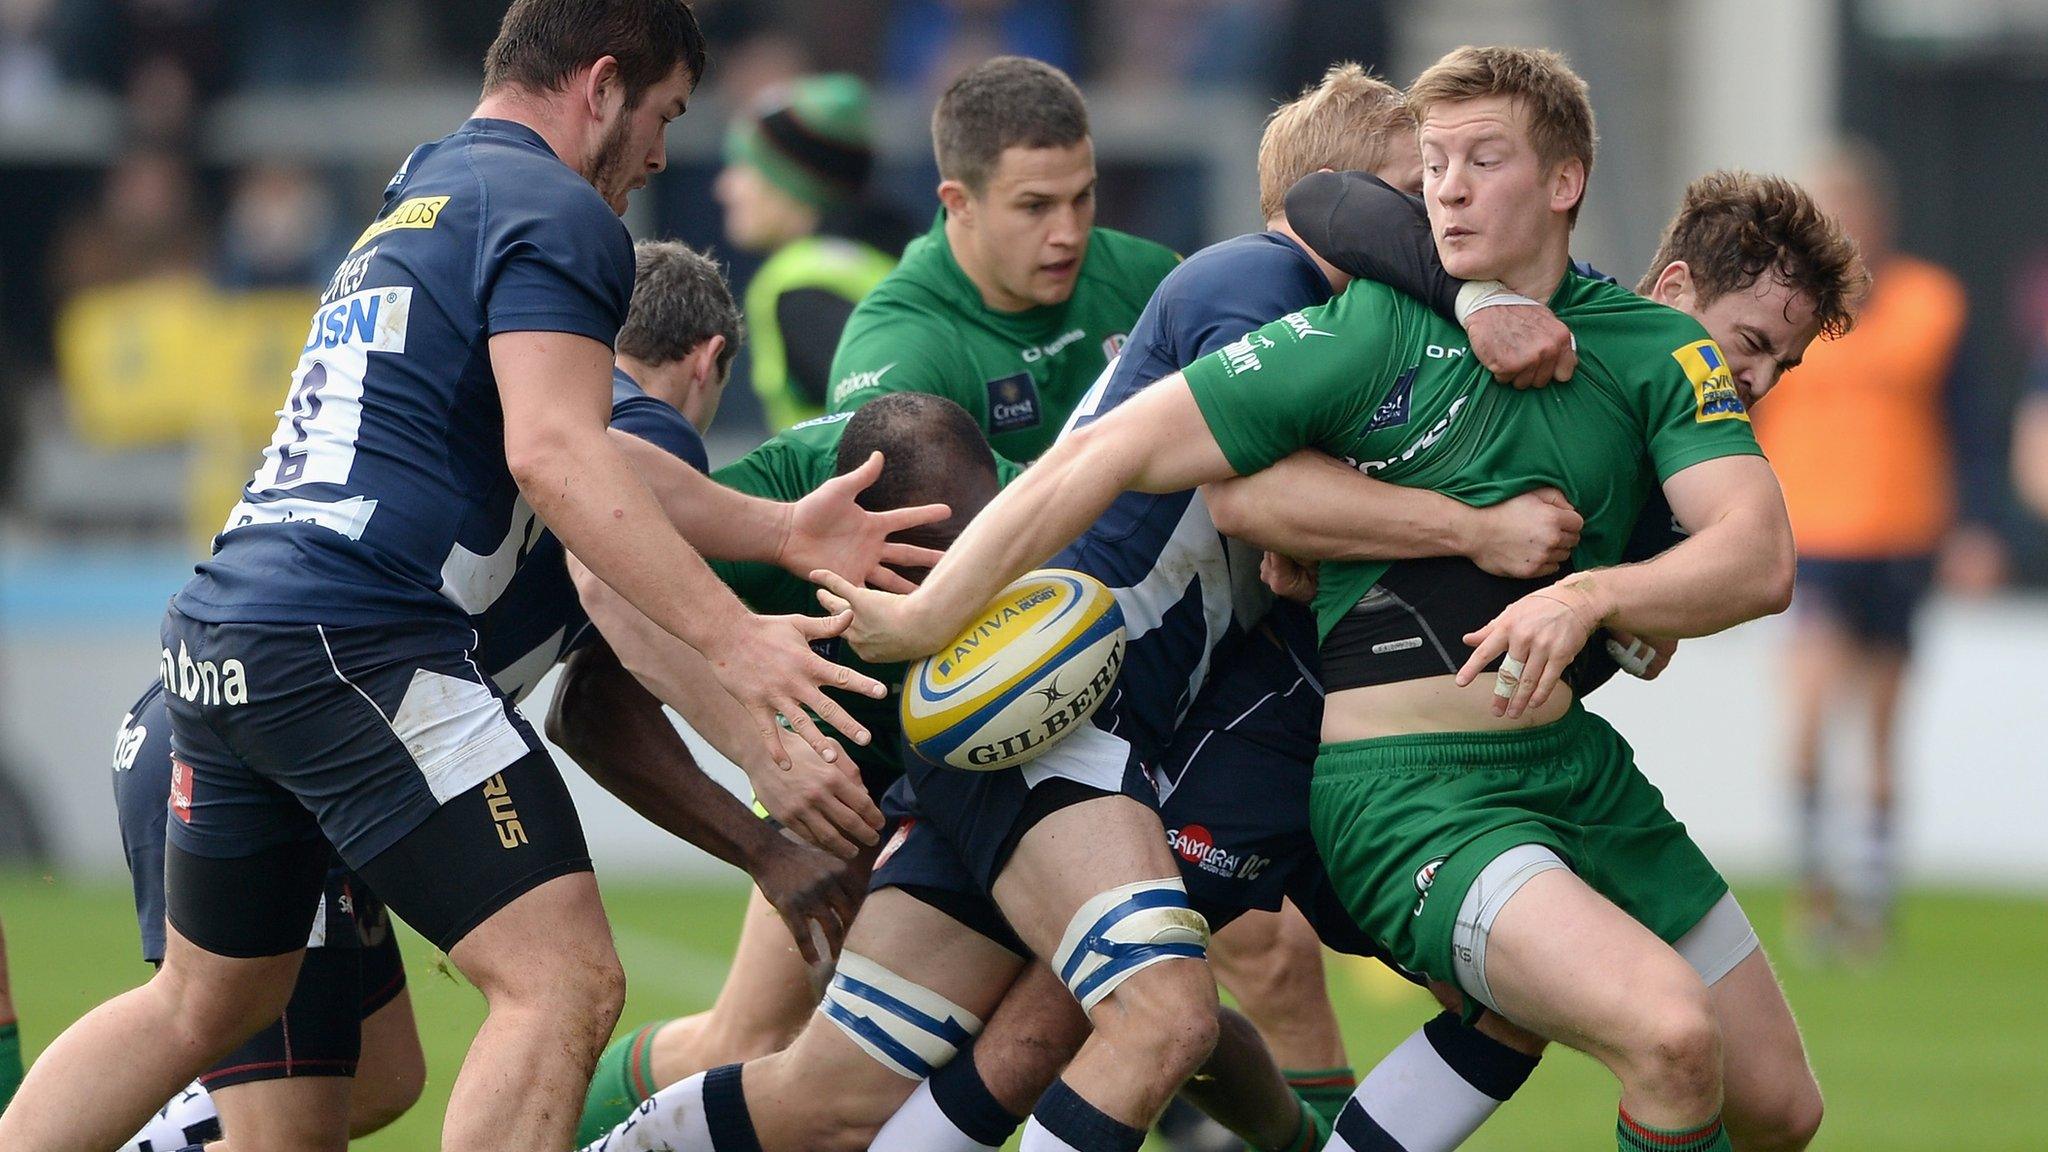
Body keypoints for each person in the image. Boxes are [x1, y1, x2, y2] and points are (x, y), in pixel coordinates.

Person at [814, 47, 1861, 1152]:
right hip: (1310, 748)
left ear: (1563, 181)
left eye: (1477, 162)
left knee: (1767, 1106)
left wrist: (1603, 600)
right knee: (1119, 1015)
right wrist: (926, 621)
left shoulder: (1656, 373)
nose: (1446, 188)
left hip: (1551, 771)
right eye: (1434, 167)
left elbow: (1755, 557)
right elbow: (1215, 419)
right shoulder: (1366, 317)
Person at [580, 62, 1581, 1152]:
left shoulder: (1294, 322)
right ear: (1336, 196)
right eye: (1411, 184)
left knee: (838, 1095)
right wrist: (1470, 515)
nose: (1433, 212)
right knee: (1160, 1016)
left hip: (1049, 716)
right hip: (1045, 712)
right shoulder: (1252, 283)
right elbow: (1252, 495)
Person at [0, 4, 932, 1147]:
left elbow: (588, 439)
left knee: (213, 1003)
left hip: (226, 629)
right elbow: (556, 454)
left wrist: (778, 527)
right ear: (600, 87)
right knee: (566, 982)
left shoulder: (425, 189)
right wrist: (739, 643)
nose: (657, 157)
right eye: (663, 117)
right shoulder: (561, 211)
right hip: (357, 641)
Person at [1751, 143, 1983, 955]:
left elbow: (1967, 422)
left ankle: (1872, 904)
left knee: (1881, 728)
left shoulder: (1931, 303)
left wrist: (1973, 528)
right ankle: (1817, 894)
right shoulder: (1777, 310)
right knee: (1810, 715)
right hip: (1809, 536)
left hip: (1902, 532)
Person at [825, 55, 1182, 463]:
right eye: (1035, 206)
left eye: (1082, 196)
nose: (1068, 234)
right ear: (960, 203)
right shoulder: (902, 348)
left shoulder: (1152, 277)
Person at [716, 73, 913, 431]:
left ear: (793, 183)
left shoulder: (801, 287)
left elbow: (892, 418)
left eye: (742, 168)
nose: (724, 188)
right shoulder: (909, 253)